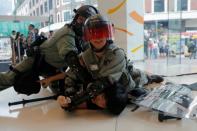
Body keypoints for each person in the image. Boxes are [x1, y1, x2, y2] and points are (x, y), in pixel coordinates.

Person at [0, 5, 99, 95]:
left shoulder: (82, 38)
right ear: (75, 18)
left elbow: (89, 56)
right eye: (80, 19)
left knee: (62, 93)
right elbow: (73, 62)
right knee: (8, 79)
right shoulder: (67, 33)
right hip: (37, 61)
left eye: (85, 20)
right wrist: (89, 82)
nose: (81, 22)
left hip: (52, 68)